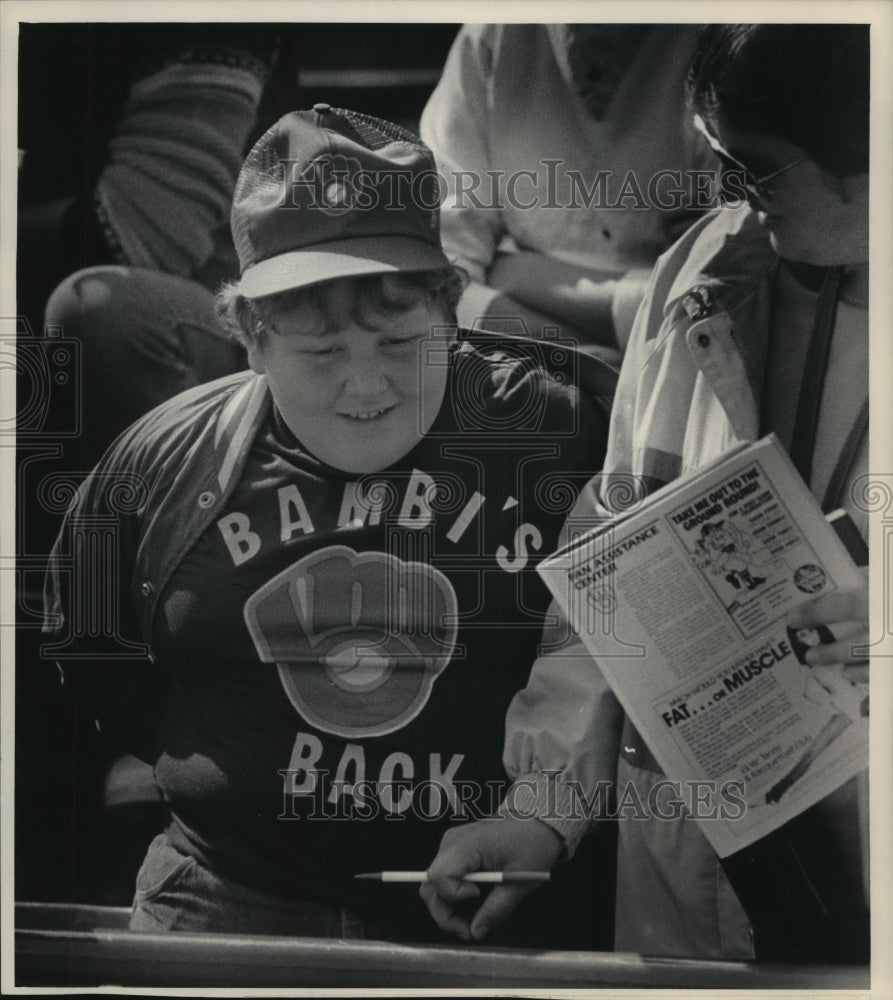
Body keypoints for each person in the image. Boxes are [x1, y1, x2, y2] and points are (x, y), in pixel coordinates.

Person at [43, 105, 615, 942]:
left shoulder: (561, 432)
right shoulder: (161, 466)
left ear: (449, 305)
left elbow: (624, 647)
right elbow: (93, 660)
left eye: (397, 342)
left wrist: (552, 818)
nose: (363, 385)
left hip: (488, 905)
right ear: (249, 336)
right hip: (222, 890)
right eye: (319, 354)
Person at [420, 24, 871, 962]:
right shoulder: (700, 271)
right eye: (717, 162)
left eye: (756, 170)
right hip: (704, 859)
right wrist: (542, 810)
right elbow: (618, 559)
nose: (727, 196)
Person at [419, 24, 714, 363]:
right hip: (538, 355)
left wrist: (517, 275)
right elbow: (441, 280)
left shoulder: (714, 35)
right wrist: (579, 357)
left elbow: (725, 283)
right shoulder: (492, 36)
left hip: (688, 349)